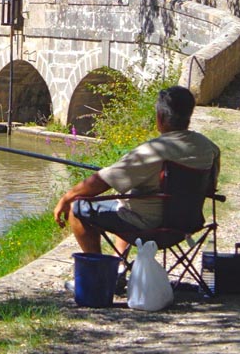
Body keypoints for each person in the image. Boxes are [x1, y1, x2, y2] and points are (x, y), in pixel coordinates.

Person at [53, 85, 221, 256]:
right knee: (130, 197)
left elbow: (101, 182)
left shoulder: (152, 152)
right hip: (186, 225)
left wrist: (67, 198)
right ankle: (118, 262)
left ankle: (99, 273)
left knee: (77, 209)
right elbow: (210, 187)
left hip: (149, 229)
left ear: (160, 117)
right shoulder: (209, 147)